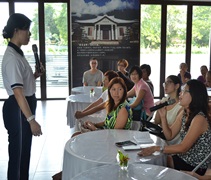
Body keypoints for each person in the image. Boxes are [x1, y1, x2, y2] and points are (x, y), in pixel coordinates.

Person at [137, 80, 211, 176]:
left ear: (194, 95)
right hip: (183, 158)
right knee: (154, 161)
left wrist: (156, 148)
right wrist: (163, 116)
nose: (180, 93)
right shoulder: (184, 112)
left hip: (194, 166)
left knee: (157, 166)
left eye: (184, 91)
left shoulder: (199, 118)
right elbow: (169, 135)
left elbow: (183, 147)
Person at [2, 13, 43, 180]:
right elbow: (18, 92)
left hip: (24, 104)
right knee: (17, 155)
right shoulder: (12, 58)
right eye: (27, 30)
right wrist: (31, 120)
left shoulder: (18, 54)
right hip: (18, 107)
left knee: (24, 152)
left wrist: (34, 75)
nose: (30, 34)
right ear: (16, 30)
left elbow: (22, 84)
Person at [154, 75, 182, 145]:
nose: (165, 85)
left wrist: (163, 123)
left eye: (169, 82)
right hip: (161, 139)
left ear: (177, 86)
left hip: (173, 144)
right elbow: (156, 121)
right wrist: (159, 107)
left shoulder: (180, 106)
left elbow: (171, 129)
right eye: (165, 83)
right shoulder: (164, 100)